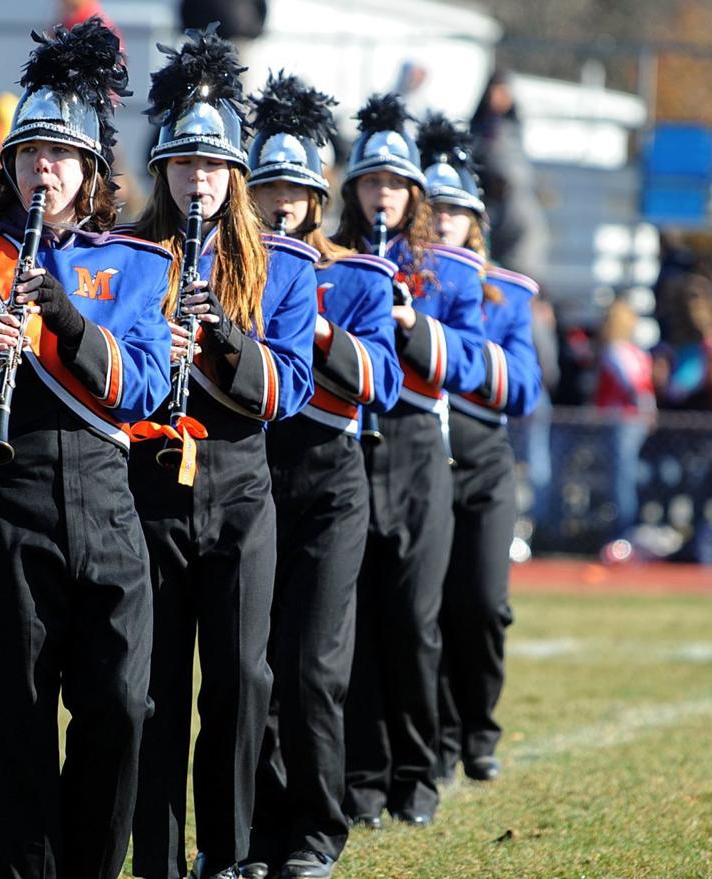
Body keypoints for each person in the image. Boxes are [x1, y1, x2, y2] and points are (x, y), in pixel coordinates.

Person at [0, 20, 171, 879]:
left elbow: (146, 388)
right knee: (12, 722)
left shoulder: (137, 264)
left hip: (107, 501)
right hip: (4, 508)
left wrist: (64, 321)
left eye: (60, 154)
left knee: (124, 706)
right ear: (9, 166)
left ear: (91, 169)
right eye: (29, 153)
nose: (42, 169)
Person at [124, 27, 316, 879]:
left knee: (242, 682)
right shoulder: (130, 255)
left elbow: (291, 390)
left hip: (240, 487)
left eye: (213, 166)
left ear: (235, 174)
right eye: (183, 164)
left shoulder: (280, 263)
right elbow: (105, 383)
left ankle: (230, 853)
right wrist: (144, 359)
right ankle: (157, 859)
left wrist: (222, 340)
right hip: (149, 485)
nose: (198, 180)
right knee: (154, 691)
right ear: (162, 168)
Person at [241, 73, 402, 879]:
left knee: (311, 667)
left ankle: (316, 828)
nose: (280, 204)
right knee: (250, 664)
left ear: (318, 196)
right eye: (265, 187)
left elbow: (385, 380)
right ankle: (255, 829)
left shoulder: (362, 276)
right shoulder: (229, 267)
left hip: (330, 478)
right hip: (249, 473)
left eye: (295, 190)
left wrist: (320, 328)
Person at [337, 94, 486, 829]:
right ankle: (362, 777)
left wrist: (412, 323)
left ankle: (419, 770)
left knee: (415, 621)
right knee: (357, 621)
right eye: (371, 183)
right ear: (353, 190)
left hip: (420, 446)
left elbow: (473, 361)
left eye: (394, 184)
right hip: (350, 445)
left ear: (415, 194)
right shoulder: (335, 259)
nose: (382, 196)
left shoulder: (453, 272)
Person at [416, 113, 542, 785]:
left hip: (484, 460)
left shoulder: (507, 295)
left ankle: (479, 728)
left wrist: (448, 353)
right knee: (426, 606)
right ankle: (436, 736)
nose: (442, 224)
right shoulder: (400, 280)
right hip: (420, 460)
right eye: (431, 211)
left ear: (476, 224)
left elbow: (524, 386)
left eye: (455, 214)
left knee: (485, 602)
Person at [468, 70, 548, 281]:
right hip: (491, 210)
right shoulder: (479, 130)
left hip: (517, 213)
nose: (500, 97)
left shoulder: (514, 129)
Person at [594, 298, 655, 538]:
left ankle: (623, 532)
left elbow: (635, 385)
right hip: (631, 420)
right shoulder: (636, 352)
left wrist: (647, 410)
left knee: (622, 477)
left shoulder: (617, 351)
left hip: (623, 420)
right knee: (625, 475)